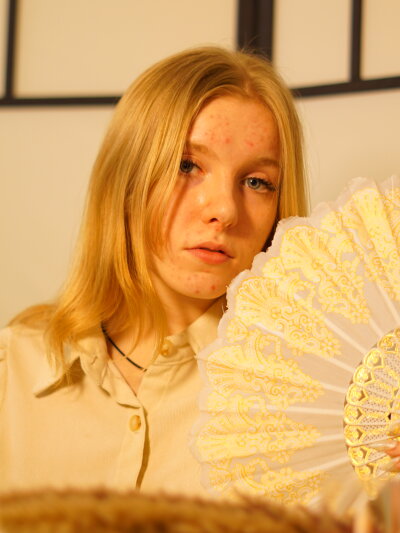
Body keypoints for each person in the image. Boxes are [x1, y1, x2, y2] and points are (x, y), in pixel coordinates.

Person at [0, 46, 308, 497]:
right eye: (188, 166)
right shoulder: (13, 370)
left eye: (256, 182)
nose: (225, 210)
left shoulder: (309, 399)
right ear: (125, 179)